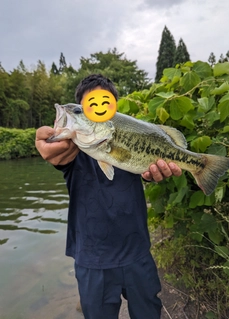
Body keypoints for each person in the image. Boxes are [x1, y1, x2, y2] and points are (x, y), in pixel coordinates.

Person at [35, 74, 182, 319]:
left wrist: (150, 174)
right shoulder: (71, 152)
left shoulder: (129, 134)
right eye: (87, 108)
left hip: (137, 252)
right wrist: (53, 145)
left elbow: (141, 165)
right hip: (92, 259)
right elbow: (58, 156)